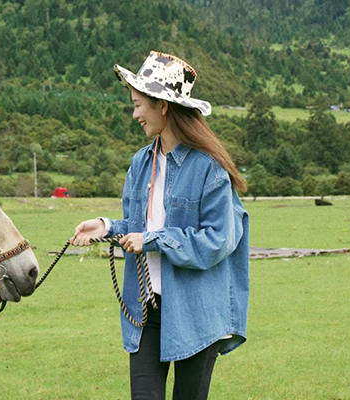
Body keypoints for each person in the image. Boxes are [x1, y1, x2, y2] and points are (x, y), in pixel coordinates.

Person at [71, 50, 250, 400]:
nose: (135, 113)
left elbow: (217, 239)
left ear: (163, 105)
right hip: (146, 310)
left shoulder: (209, 169)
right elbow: (139, 227)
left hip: (195, 313)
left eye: (139, 104)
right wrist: (106, 226)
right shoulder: (141, 163)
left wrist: (152, 240)